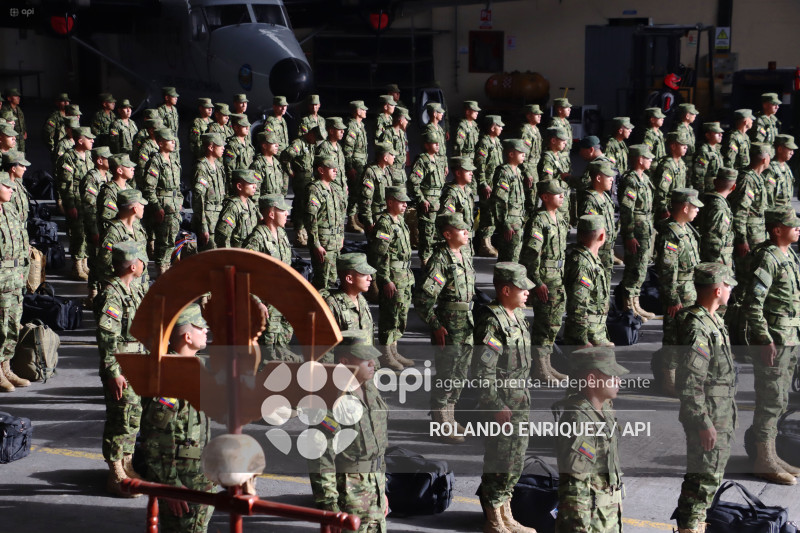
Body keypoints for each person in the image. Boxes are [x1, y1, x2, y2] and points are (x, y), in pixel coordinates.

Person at [674, 263, 737, 533]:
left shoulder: (713, 320)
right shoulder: (698, 327)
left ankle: (696, 524)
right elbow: (690, 382)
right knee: (701, 481)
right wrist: (703, 422)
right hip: (708, 413)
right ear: (717, 289)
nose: (731, 289)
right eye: (729, 285)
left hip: (719, 410)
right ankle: (690, 527)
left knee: (709, 477)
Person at [141, 303, 216, 532]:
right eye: (201, 327)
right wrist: (171, 487)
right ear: (187, 335)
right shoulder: (171, 378)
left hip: (197, 475)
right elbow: (155, 441)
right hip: (182, 481)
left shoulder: (192, 367)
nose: (206, 331)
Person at [474, 263, 535, 533]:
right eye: (522, 289)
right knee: (499, 460)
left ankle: (506, 512)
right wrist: (495, 404)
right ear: (506, 289)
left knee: (515, 459)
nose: (527, 293)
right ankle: (493, 518)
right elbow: (483, 370)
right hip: (502, 404)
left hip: (520, 400)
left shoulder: (517, 317)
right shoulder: (492, 322)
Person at [743, 207, 800, 485]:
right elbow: (753, 304)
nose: (798, 228)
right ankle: (763, 459)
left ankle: (770, 454)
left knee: (780, 400)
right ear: (777, 229)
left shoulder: (788, 256)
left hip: (790, 338)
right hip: (774, 341)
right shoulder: (767, 258)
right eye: (792, 224)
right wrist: (764, 338)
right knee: (770, 400)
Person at [308, 343, 388, 533]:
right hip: (349, 495)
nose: (372, 363)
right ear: (344, 362)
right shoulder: (331, 400)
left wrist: (382, 491)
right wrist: (330, 508)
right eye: (365, 359)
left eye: (373, 358)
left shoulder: (370, 390)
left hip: (375, 489)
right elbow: (320, 457)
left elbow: (378, 447)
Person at [413, 213, 475, 442]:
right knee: (448, 374)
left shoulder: (464, 253)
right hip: (449, 325)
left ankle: (450, 416)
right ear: (448, 234)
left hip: (466, 322)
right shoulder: (441, 260)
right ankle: (441, 420)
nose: (467, 233)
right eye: (461, 230)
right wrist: (435, 326)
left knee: (460, 373)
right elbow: (423, 300)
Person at [553, 347, 626, 533]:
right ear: (591, 380)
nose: (618, 380)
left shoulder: (604, 411)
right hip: (589, 522)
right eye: (611, 375)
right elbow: (575, 487)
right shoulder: (579, 421)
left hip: (607, 518)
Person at [94, 240, 147, 496]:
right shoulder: (112, 295)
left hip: (137, 362)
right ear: (133, 265)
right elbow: (107, 338)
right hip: (121, 366)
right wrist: (114, 372)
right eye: (141, 261)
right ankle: (115, 471)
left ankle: (127, 462)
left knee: (134, 416)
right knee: (120, 419)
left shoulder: (133, 288)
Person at [655, 188, 703, 394]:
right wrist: (672, 298)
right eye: (694, 207)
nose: (697, 211)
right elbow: (667, 269)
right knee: (673, 336)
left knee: (686, 335)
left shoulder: (686, 229)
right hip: (679, 293)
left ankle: (682, 376)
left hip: (689, 290)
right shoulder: (671, 234)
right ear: (684, 207)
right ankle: (669, 381)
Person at [520, 180, 568, 381]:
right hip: (546, 281)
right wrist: (537, 282)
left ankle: (547, 365)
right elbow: (531, 256)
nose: (562, 197)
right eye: (557, 194)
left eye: (562, 194)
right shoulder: (539, 221)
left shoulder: (560, 218)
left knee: (553, 324)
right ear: (545, 197)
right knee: (543, 324)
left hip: (558, 278)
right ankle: (540, 369)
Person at [243, 195, 299, 362]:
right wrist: (256, 301)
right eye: (282, 211)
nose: (287, 214)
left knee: (282, 341)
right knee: (268, 349)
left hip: (283, 298)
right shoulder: (257, 238)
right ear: (271, 214)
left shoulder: (281, 233)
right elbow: (244, 271)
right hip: (267, 302)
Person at [368, 186, 415, 371]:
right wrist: (384, 280)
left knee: (401, 314)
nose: (404, 205)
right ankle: (386, 353)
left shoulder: (400, 221)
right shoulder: (385, 224)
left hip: (404, 276)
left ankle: (394, 349)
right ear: (390, 202)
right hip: (392, 277)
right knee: (390, 315)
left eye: (405, 202)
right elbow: (378, 255)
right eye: (401, 201)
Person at [617, 144, 657, 320]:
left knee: (641, 268)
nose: (650, 160)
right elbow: (627, 210)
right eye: (647, 158)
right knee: (634, 268)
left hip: (646, 228)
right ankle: (628, 305)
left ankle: (636, 303)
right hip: (637, 229)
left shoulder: (644, 178)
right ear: (640, 159)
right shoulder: (631, 180)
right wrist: (630, 235)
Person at [563, 215, 612, 347]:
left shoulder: (590, 258)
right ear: (602, 236)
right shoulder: (583, 264)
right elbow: (577, 306)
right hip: (588, 334)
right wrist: (582, 340)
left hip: (596, 331)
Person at [0, 172, 28, 392]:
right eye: (7, 187)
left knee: (12, 325)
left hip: (15, 278)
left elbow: (22, 244)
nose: (12, 190)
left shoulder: (11, 210)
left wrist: (24, 275)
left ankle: (6, 366)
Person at [142, 128, 183, 275]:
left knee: (171, 241)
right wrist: (156, 207)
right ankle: (161, 270)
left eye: (173, 140)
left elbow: (177, 187)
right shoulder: (155, 161)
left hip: (173, 207)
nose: (173, 142)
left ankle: (167, 267)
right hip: (163, 206)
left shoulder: (174, 161)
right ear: (160, 143)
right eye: (169, 140)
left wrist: (179, 200)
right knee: (162, 242)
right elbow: (149, 188)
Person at [58, 126, 96, 281]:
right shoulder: (69, 158)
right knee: (77, 234)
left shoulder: (88, 156)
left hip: (86, 202)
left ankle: (85, 264)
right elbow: (65, 184)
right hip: (76, 201)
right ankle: (76, 267)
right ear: (80, 140)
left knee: (86, 233)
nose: (93, 140)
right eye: (89, 138)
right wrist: (70, 205)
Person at [730, 143, 771, 276]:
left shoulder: (757, 177)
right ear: (765, 159)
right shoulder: (748, 179)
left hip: (758, 233)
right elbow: (740, 211)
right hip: (750, 235)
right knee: (746, 274)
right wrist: (741, 240)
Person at [306, 155, 346, 290]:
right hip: (323, 243)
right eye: (331, 168)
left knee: (333, 279)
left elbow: (340, 215)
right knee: (322, 280)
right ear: (321, 170)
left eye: (336, 168)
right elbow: (311, 218)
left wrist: (341, 236)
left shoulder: (335, 189)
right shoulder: (314, 189)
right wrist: (316, 243)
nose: (335, 170)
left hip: (335, 242)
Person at [323, 254, 376, 354]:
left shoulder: (361, 300)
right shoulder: (332, 304)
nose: (370, 278)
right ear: (349, 279)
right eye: (364, 274)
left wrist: (374, 364)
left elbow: (369, 339)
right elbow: (326, 349)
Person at [409, 130, 447, 265]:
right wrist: (421, 199)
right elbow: (414, 182)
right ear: (426, 145)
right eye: (434, 143)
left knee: (438, 234)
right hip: (428, 205)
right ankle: (425, 260)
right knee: (427, 234)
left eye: (438, 143)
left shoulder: (438, 160)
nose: (437, 145)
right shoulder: (422, 161)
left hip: (438, 203)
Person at [98, 189, 149, 289]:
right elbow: (106, 263)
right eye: (141, 204)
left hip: (140, 285)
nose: (143, 207)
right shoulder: (113, 233)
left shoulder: (137, 227)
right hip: (125, 288)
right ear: (135, 209)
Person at [80, 146, 113, 303]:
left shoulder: (108, 176)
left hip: (106, 225)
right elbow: (89, 207)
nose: (111, 160)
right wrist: (94, 230)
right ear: (99, 161)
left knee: (104, 259)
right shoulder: (91, 178)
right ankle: (93, 293)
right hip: (95, 224)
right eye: (107, 158)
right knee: (94, 258)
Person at [488, 139, 528, 262]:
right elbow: (499, 200)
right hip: (510, 221)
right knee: (509, 258)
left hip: (518, 219)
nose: (524, 156)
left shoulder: (518, 171)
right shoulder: (504, 172)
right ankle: (504, 281)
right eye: (521, 153)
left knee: (514, 256)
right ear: (511, 154)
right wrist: (504, 224)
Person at [578, 161, 616, 284]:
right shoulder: (590, 200)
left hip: (607, 250)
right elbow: (590, 231)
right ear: (598, 178)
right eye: (608, 176)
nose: (612, 179)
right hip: (596, 252)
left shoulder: (605, 196)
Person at [473, 115, 504, 257]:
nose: (502, 128)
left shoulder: (496, 141)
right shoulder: (484, 143)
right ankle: (484, 244)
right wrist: (483, 183)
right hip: (488, 184)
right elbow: (480, 165)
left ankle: (489, 242)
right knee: (487, 214)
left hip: (496, 183)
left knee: (493, 213)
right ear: (492, 127)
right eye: (499, 126)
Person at [698, 168, 738, 271]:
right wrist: (717, 264)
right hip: (717, 261)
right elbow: (713, 239)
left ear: (715, 181)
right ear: (733, 187)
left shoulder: (707, 199)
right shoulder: (719, 207)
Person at [285, 125, 319, 246]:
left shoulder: (310, 144)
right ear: (311, 134)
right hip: (300, 180)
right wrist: (290, 171)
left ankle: (304, 232)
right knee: (300, 206)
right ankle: (299, 234)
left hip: (310, 179)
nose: (316, 142)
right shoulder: (299, 143)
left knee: (306, 206)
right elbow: (285, 156)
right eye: (315, 138)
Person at [192, 133, 226, 251]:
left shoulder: (219, 166)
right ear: (211, 148)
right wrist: (203, 226)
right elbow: (198, 199)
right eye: (220, 146)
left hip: (219, 218)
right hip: (208, 218)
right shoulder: (201, 167)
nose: (223, 148)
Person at [438, 156, 476, 258]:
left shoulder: (468, 190)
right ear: (458, 173)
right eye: (467, 171)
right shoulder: (451, 193)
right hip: (457, 241)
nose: (471, 173)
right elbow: (448, 219)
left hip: (466, 238)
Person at [214, 169, 259, 249]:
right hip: (237, 254)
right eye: (250, 183)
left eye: (255, 183)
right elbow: (223, 236)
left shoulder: (250, 204)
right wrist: (230, 257)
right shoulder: (233, 207)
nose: (255, 186)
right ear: (239, 186)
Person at [358, 143, 395, 233]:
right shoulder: (370, 172)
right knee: (377, 244)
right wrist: (369, 222)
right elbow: (366, 201)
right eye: (392, 154)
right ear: (385, 158)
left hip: (387, 216)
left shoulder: (387, 170)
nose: (394, 157)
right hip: (376, 218)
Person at [653, 130, 690, 221]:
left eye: (686, 145)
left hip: (678, 208)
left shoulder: (681, 163)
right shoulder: (667, 166)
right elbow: (661, 193)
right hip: (668, 210)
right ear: (673, 146)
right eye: (682, 145)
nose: (686, 147)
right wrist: (664, 210)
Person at [343, 100, 369, 226]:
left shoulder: (361, 125)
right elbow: (348, 149)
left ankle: (355, 218)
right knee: (354, 192)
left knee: (359, 191)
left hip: (362, 163)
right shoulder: (352, 127)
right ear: (357, 111)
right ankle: (351, 220)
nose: (365, 111)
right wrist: (350, 167)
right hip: (355, 163)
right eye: (363, 109)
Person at [539, 127, 572, 225]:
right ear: (553, 140)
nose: (565, 143)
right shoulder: (547, 158)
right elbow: (547, 183)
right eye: (562, 140)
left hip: (562, 200)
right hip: (555, 202)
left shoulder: (559, 156)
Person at [97, 154, 136, 233]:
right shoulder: (108, 191)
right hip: (118, 235)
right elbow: (109, 219)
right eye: (128, 167)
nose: (133, 169)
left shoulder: (129, 189)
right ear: (119, 171)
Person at [453, 100, 481, 196]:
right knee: (467, 183)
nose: (477, 113)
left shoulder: (474, 126)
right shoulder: (462, 126)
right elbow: (458, 145)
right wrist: (459, 162)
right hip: (465, 159)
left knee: (474, 183)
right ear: (467, 112)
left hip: (474, 158)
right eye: (474, 110)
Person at [519, 104, 543, 210]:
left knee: (536, 197)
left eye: (539, 114)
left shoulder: (536, 129)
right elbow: (522, 153)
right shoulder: (525, 130)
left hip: (536, 167)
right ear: (529, 116)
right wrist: (526, 172)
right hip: (529, 167)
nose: (539, 116)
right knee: (530, 198)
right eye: (536, 114)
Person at [378, 107, 410, 188]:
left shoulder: (401, 133)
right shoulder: (388, 134)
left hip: (401, 172)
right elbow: (385, 154)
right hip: (392, 172)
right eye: (406, 119)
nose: (407, 122)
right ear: (401, 120)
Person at [250, 131, 287, 201]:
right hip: (265, 206)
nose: (277, 145)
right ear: (264, 146)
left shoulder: (276, 163)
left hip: (277, 203)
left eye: (277, 143)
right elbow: (255, 191)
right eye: (273, 143)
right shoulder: (258, 165)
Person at [765, 134, 796, 208]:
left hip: (786, 210)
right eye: (790, 149)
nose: (792, 153)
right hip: (775, 213)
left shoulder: (786, 167)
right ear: (780, 149)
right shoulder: (771, 169)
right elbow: (768, 195)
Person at [223, 114, 255, 186]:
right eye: (244, 126)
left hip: (248, 182)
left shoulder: (248, 144)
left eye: (248, 126)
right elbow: (229, 169)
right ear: (235, 127)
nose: (247, 128)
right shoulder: (232, 145)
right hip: (238, 184)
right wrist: (232, 186)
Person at [693, 122, 724, 193]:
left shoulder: (717, 149)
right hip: (708, 190)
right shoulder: (704, 151)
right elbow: (699, 175)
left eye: (720, 133)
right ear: (707, 135)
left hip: (717, 187)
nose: (720, 135)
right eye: (716, 133)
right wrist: (701, 192)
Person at [548, 98, 573, 169]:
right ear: (559, 110)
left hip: (566, 155)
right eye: (567, 108)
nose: (569, 109)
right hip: (559, 155)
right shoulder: (554, 122)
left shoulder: (566, 122)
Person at [1, 88, 26, 153]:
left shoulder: (18, 109)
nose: (18, 98)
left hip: (21, 139)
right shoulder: (5, 110)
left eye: (18, 96)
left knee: (21, 157)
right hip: (11, 140)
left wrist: (24, 131)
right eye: (16, 96)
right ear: (9, 98)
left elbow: (22, 122)